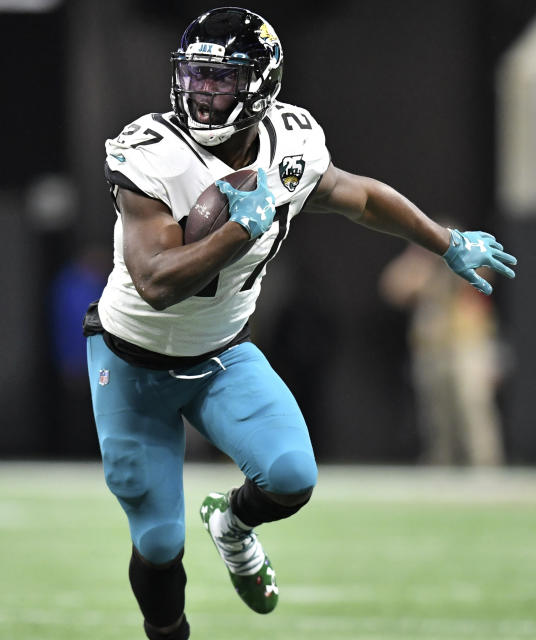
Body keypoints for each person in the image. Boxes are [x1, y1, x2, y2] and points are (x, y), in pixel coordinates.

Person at [85, 8, 517, 639]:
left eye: (220, 79)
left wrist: (443, 241)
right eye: (194, 76)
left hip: (220, 356)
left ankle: (231, 522)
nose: (201, 93)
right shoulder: (153, 152)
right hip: (131, 360)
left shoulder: (290, 141)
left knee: (291, 476)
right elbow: (154, 284)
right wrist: (240, 228)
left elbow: (361, 197)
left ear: (260, 84)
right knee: (157, 542)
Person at [380, 242, 506, 465]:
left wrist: (455, 258)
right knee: (436, 416)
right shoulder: (423, 269)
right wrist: (420, 261)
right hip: (432, 349)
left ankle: (485, 467)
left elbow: (486, 277)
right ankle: (441, 468)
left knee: (473, 409)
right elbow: (393, 289)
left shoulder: (467, 265)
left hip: (468, 346)